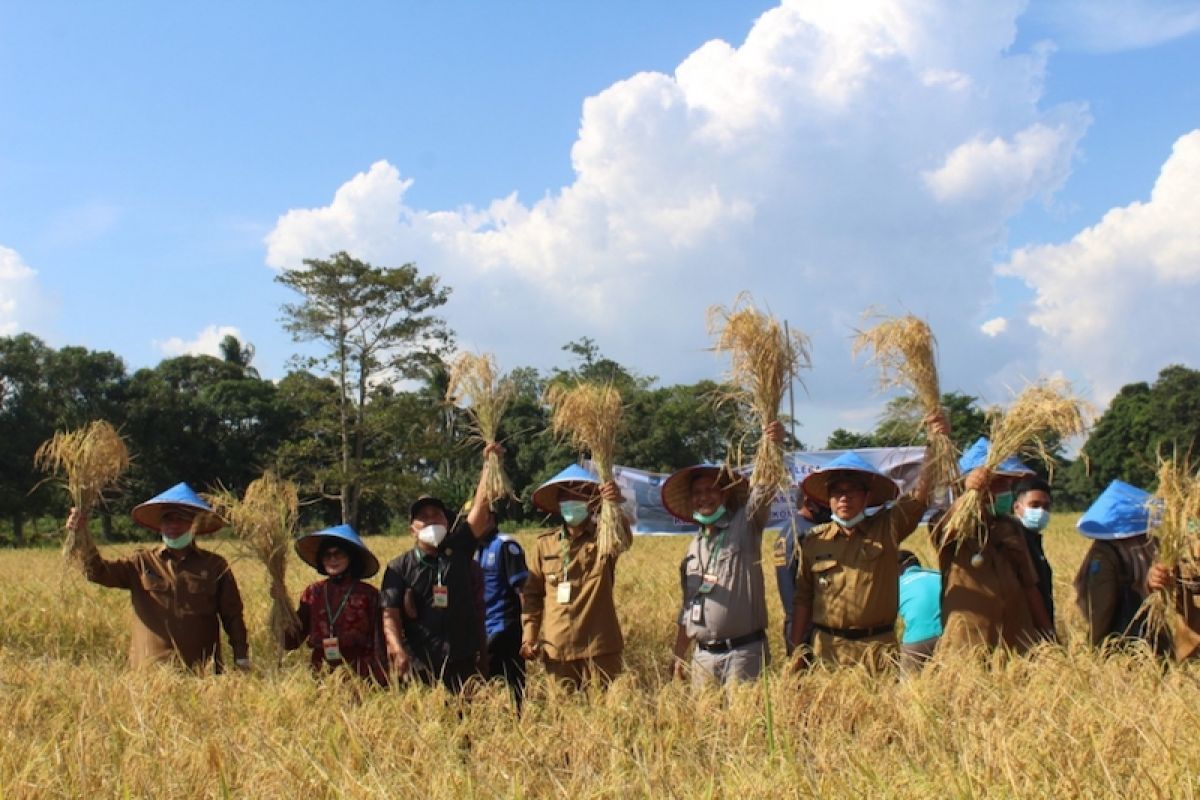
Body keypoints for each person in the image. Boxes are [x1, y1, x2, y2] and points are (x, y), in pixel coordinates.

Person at [790, 410, 948, 670]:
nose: (845, 498)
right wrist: (796, 652)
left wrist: (935, 442)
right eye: (838, 492)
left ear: (867, 497)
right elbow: (803, 598)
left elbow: (921, 497)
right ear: (828, 498)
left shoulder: (887, 527)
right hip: (829, 651)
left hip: (878, 652)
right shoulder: (813, 541)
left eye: (853, 491)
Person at [65, 482, 250, 673]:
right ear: (160, 526)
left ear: (194, 525)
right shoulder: (141, 563)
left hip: (202, 671)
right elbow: (96, 572)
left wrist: (241, 657)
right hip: (150, 675)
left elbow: (233, 616)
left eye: (181, 520)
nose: (173, 526)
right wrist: (81, 534)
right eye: (168, 520)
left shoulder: (215, 565)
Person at [667, 421, 784, 687]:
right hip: (704, 656)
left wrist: (773, 445)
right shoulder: (693, 548)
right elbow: (688, 608)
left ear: (725, 495)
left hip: (744, 653)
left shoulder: (745, 524)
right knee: (707, 726)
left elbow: (764, 489)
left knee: (744, 725)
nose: (703, 497)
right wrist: (678, 654)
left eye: (711, 490)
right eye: (697, 493)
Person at [934, 438, 1054, 654]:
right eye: (999, 483)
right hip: (969, 646)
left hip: (1016, 643)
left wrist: (1049, 637)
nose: (1006, 489)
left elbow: (1030, 586)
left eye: (1009, 484)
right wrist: (970, 494)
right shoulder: (951, 526)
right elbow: (947, 528)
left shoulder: (1012, 529)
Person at [521, 464, 629, 690]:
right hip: (558, 648)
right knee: (563, 716)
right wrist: (529, 637)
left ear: (592, 501)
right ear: (559, 504)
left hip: (600, 648)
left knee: (606, 717)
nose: (572, 501)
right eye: (566, 497)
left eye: (578, 496)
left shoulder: (605, 539)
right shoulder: (545, 544)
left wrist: (615, 504)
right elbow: (532, 595)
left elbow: (624, 538)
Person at [380, 489, 491, 692]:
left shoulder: (459, 552)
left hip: (462, 658)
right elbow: (390, 614)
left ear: (447, 524)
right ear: (412, 530)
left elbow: (481, 511)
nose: (431, 521)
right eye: (423, 517)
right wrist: (397, 649)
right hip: (419, 662)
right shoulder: (398, 568)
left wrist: (489, 463)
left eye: (436, 515)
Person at [468, 446, 530, 710]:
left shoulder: (506, 545)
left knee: (510, 681)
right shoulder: (471, 549)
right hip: (481, 628)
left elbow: (523, 591)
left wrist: (529, 630)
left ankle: (518, 716)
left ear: (491, 519)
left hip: (503, 627)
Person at [286, 524, 387, 684]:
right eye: (327, 555)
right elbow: (293, 640)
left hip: (360, 671)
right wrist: (282, 607)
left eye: (338, 554)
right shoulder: (313, 592)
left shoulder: (368, 594)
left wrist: (382, 678)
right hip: (321, 672)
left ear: (351, 557)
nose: (332, 559)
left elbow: (379, 639)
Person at [1073, 480, 1164, 653]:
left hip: (1121, 646)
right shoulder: (1155, 545)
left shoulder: (1104, 553)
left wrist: (1095, 648)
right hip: (1157, 642)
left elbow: (1102, 607)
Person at [774, 490, 831, 655]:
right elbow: (793, 593)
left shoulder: (791, 529)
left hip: (807, 624)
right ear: (809, 502)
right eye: (825, 501)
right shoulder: (804, 533)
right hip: (806, 627)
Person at [1012, 475, 1056, 631]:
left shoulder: (1033, 540)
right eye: (1034, 505)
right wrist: (1048, 632)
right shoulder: (1014, 542)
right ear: (1017, 507)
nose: (1041, 511)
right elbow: (1030, 590)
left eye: (1046, 507)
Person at [897, 550, 942, 673]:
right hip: (950, 634)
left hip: (917, 640)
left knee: (909, 685)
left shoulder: (896, 585)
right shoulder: (940, 575)